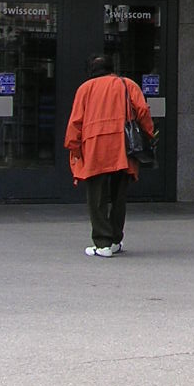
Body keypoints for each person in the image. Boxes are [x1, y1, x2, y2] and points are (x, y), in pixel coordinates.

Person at [64, 55, 154, 258]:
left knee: (97, 197)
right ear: (112, 68)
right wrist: (148, 135)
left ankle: (102, 242)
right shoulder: (127, 84)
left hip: (95, 147)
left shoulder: (85, 89)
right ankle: (114, 240)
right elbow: (142, 111)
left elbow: (75, 122)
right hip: (123, 148)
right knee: (118, 197)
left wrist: (74, 148)